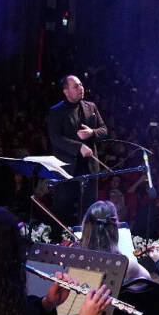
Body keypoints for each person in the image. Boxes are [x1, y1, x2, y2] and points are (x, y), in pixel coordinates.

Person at [47, 75, 107, 224]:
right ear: (66, 91)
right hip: (67, 168)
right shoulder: (56, 111)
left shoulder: (91, 106)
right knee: (63, 208)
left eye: (81, 85)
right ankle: (59, 237)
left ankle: (86, 237)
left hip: (89, 167)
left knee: (89, 209)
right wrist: (78, 146)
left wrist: (92, 132)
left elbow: (104, 130)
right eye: (76, 86)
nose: (81, 88)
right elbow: (55, 138)